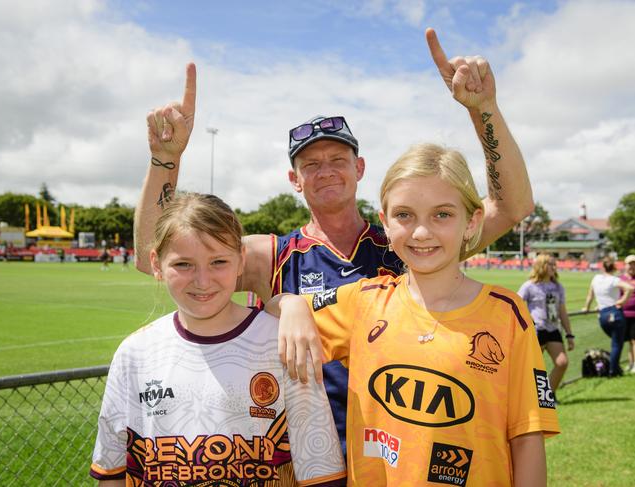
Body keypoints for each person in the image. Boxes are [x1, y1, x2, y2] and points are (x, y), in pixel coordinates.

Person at [133, 28, 535, 454]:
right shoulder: (271, 254)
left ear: (359, 167)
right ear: (294, 180)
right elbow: (151, 255)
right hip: (302, 457)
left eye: (337, 160)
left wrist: (483, 110)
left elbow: (511, 207)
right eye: (311, 164)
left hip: (393, 452)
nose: (325, 171)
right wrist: (166, 160)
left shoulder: (409, 243)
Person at [267, 143, 559, 486]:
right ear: (385, 224)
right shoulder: (362, 302)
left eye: (442, 214)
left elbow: (527, 436)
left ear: (472, 221)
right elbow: (269, 315)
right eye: (404, 215)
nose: (422, 232)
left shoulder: (507, 313)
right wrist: (292, 304)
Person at [90, 192, 346, 486]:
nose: (202, 280)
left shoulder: (282, 343)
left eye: (219, 262)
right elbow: (113, 472)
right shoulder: (135, 353)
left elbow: (320, 470)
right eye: (183, 265)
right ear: (157, 264)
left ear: (241, 261)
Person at [518, 254, 574, 392]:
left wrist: (569, 334)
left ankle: (547, 395)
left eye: (555, 264)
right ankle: (526, 398)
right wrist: (526, 322)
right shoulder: (529, 286)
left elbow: (562, 311)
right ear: (541, 266)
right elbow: (516, 304)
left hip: (553, 330)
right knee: (532, 368)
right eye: (550, 264)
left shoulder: (558, 287)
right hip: (537, 331)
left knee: (562, 363)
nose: (554, 267)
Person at [582, 256, 634, 377]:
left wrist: (586, 307)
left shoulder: (596, 278)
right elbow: (630, 288)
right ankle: (613, 370)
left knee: (616, 342)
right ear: (614, 267)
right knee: (617, 344)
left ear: (602, 267)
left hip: (602, 314)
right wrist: (622, 301)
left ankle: (614, 366)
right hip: (615, 312)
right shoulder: (614, 280)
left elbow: (590, 295)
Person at [621, 255, 635, 372]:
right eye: (630, 264)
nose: (632, 266)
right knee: (630, 342)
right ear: (625, 265)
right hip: (624, 315)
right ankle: (631, 363)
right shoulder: (620, 280)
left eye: (634, 264)